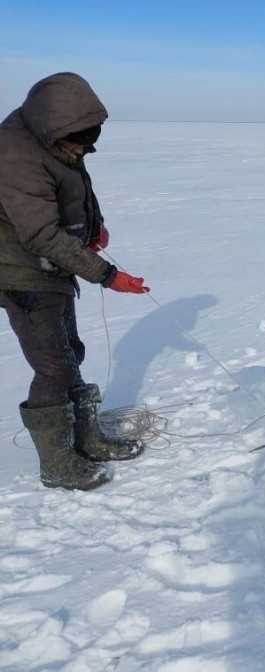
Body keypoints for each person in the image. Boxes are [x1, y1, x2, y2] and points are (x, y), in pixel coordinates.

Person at [0, 72, 151, 490]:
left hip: (53, 267)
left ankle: (86, 439)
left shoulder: (55, 138)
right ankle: (58, 464)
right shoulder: (15, 156)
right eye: (79, 144)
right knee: (52, 365)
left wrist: (92, 229)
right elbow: (41, 234)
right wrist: (107, 275)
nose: (84, 151)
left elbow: (76, 190)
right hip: (21, 271)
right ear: (58, 132)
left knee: (69, 352)